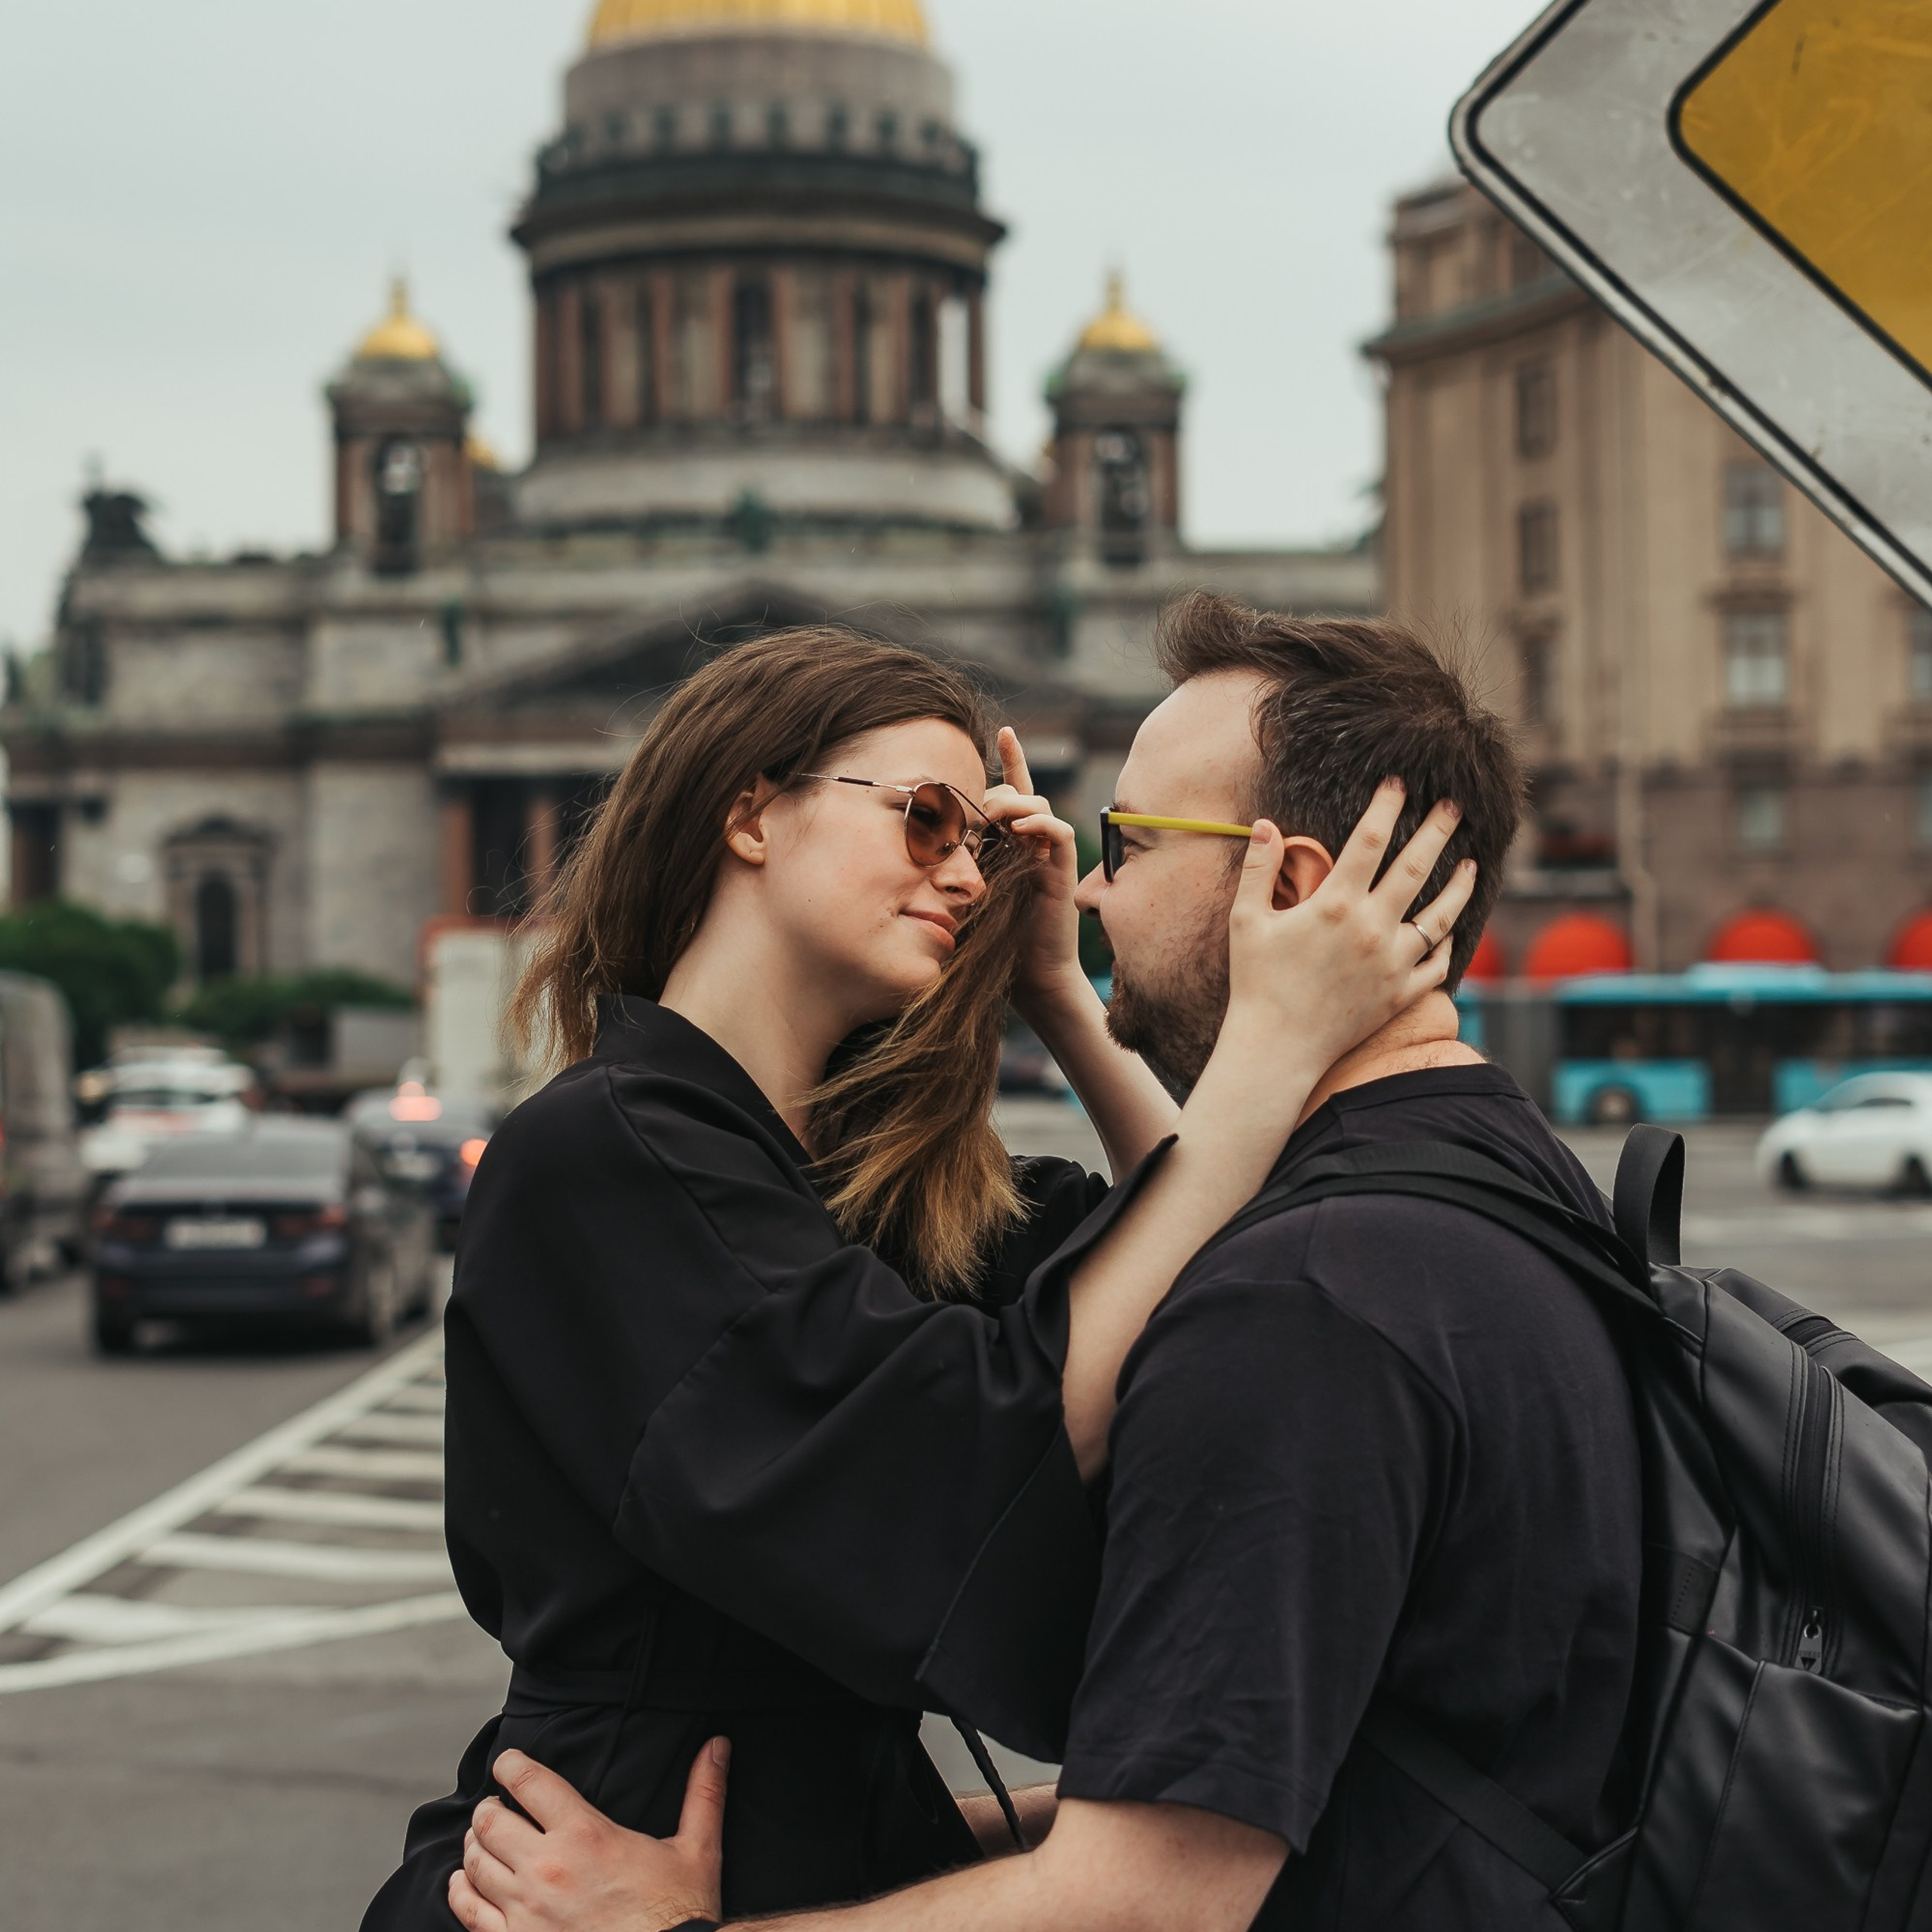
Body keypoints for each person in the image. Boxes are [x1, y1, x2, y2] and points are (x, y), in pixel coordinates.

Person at [442, 594, 1644, 1932]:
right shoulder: (603, 1149)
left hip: (771, 1879)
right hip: (573, 1877)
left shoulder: (863, 1176)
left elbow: (1193, 1268)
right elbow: (955, 1447)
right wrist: (1271, 1045)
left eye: (984, 841)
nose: (972, 875)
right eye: (927, 818)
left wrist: (1064, 994)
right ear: (752, 815)